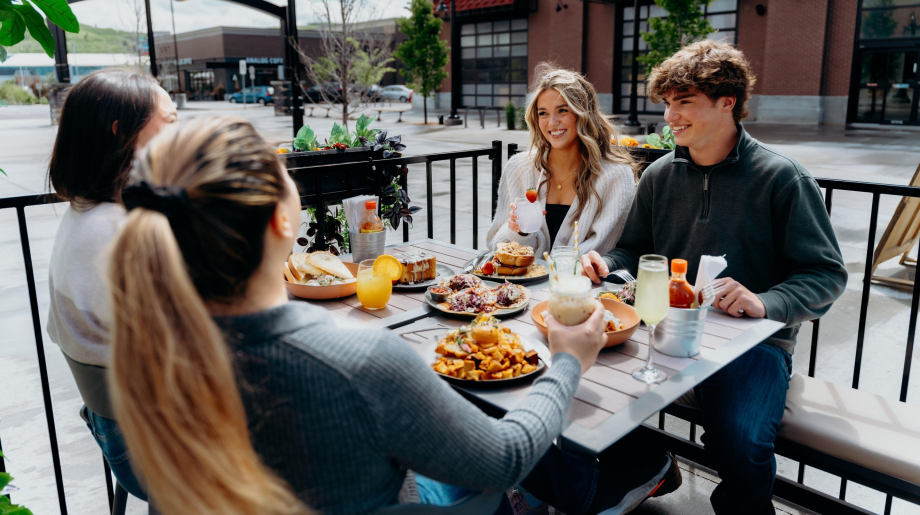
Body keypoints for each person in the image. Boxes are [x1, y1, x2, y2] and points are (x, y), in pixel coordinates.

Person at [106, 116, 678, 515]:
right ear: (285, 224)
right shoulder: (356, 363)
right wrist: (568, 361)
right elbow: (502, 460)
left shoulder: (146, 350)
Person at [580, 40, 848, 514]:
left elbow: (825, 274)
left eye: (684, 102)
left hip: (753, 344)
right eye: (667, 103)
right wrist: (608, 265)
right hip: (660, 329)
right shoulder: (659, 175)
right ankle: (641, 469)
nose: (670, 116)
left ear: (728, 101)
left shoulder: (782, 178)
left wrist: (766, 301)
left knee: (741, 441)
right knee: (583, 395)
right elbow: (633, 250)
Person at [46, 68, 177, 500]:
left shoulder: (88, 216)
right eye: (170, 121)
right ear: (123, 133)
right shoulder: (117, 234)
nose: (181, 132)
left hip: (119, 429)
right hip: (154, 449)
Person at [487, 64, 637, 256]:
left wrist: (553, 269)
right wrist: (520, 232)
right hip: (522, 284)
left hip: (584, 284)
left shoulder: (616, 175)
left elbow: (604, 247)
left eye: (563, 110)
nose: (552, 122)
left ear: (583, 114)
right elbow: (495, 244)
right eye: (543, 113)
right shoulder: (518, 168)